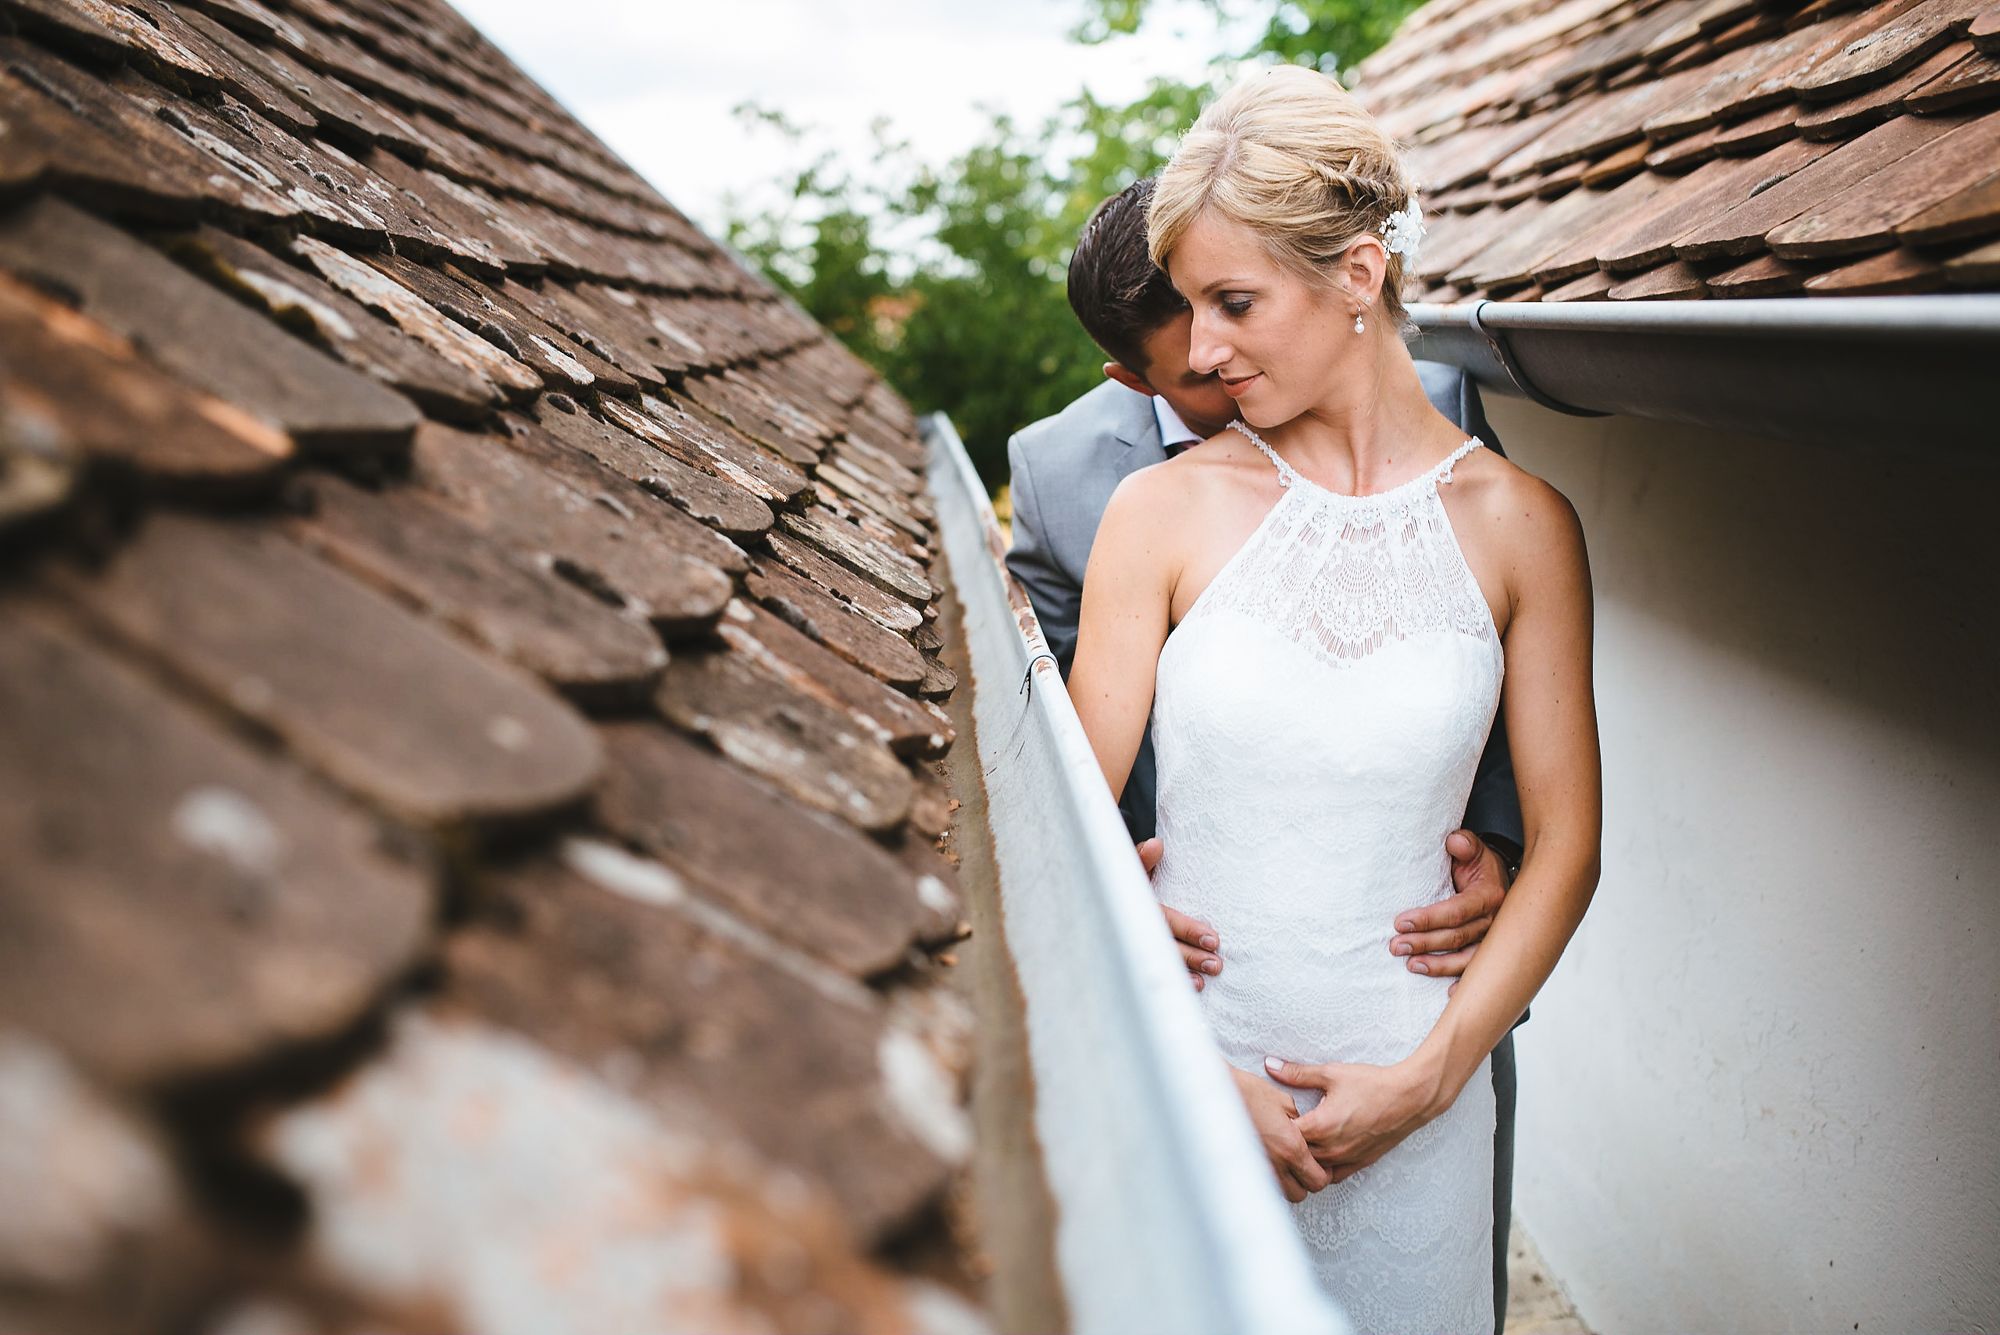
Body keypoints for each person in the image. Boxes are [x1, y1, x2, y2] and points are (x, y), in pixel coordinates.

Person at [1067, 66, 1602, 1332]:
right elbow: (1068, 826)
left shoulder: (1525, 526)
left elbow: (1567, 848)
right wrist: (1192, 1071)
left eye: (1232, 303)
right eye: (1192, 308)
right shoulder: (1158, 512)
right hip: (1195, 1080)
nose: (1199, 351)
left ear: (1358, 276)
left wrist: (1428, 1080)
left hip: (1417, 1093)